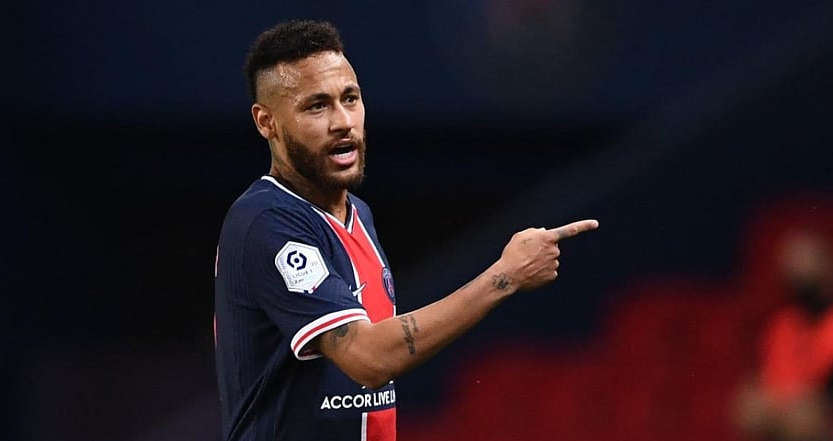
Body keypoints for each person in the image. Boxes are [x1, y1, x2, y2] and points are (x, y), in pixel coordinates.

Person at [213, 19, 599, 441]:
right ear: (266, 122)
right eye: (316, 106)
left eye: (350, 98)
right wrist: (505, 277)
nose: (343, 121)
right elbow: (368, 359)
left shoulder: (357, 213)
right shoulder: (266, 221)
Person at [733, 228, 833, 441]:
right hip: (785, 426)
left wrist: (785, 411)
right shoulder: (782, 326)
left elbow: (829, 412)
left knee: (803, 422)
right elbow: (762, 392)